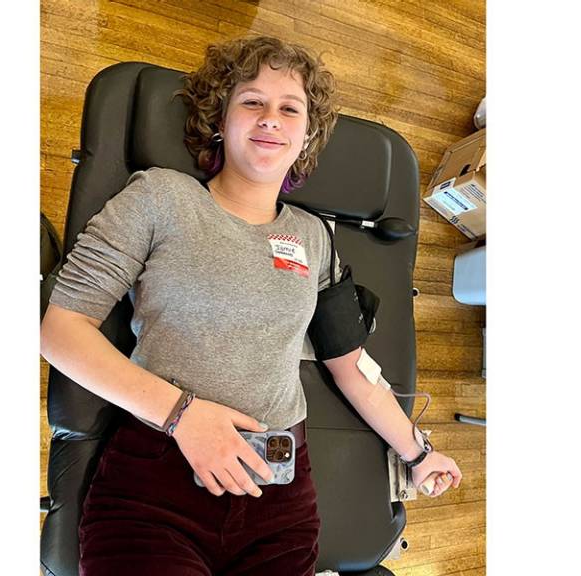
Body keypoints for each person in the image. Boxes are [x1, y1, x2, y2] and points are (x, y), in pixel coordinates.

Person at [40, 35, 462, 576]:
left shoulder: (313, 239)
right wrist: (182, 416)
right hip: (157, 484)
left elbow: (352, 369)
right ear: (221, 117)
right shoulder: (160, 197)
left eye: (290, 109)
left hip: (278, 498)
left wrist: (420, 454)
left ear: (305, 137)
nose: (271, 118)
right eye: (252, 102)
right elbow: (61, 329)